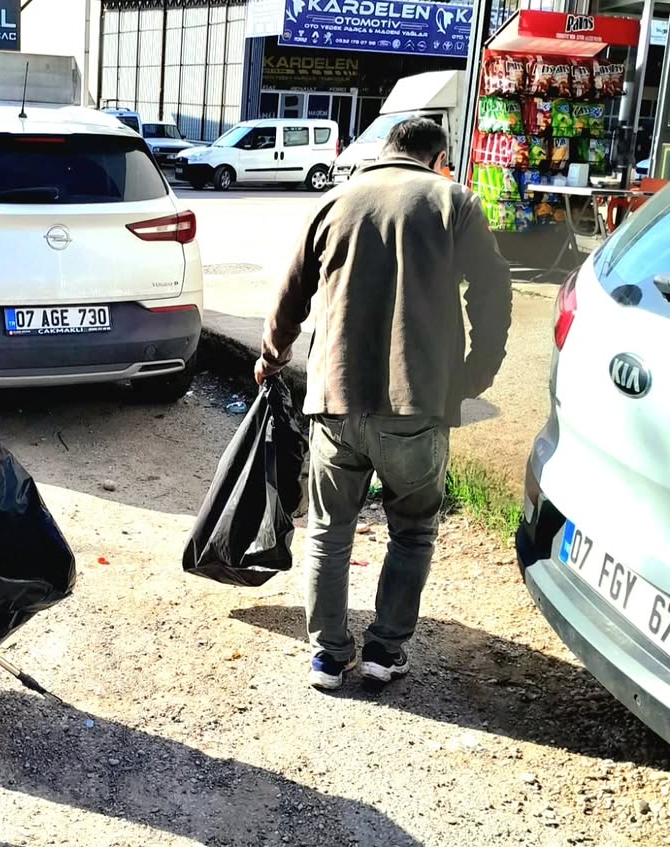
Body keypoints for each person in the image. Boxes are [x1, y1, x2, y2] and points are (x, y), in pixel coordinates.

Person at [254, 118, 512, 691]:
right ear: (437, 158)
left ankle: (327, 655)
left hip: (334, 403)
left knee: (328, 529)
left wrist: (271, 358)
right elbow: (494, 292)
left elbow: (290, 294)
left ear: (385, 152)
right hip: (417, 408)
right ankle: (384, 652)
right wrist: (476, 373)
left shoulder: (335, 201)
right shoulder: (455, 203)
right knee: (413, 531)